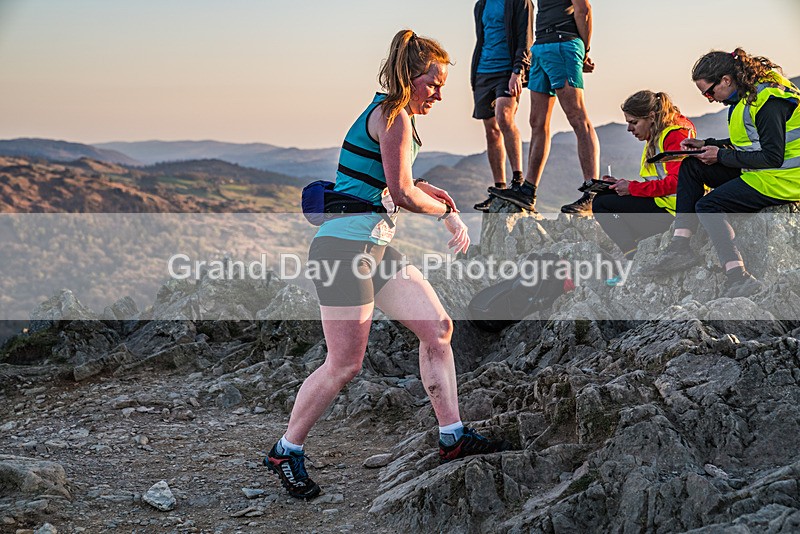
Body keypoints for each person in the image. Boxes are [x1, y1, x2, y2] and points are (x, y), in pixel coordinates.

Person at [265, 30, 509, 500]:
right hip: (343, 253)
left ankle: (452, 437)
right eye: (434, 83)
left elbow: (387, 179)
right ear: (411, 77)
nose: (440, 93)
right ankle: (285, 450)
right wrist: (446, 213)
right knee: (345, 365)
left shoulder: (394, 116)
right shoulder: (393, 114)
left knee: (437, 329)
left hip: (373, 250)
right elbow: (399, 193)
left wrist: (425, 186)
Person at [646, 48, 800, 298]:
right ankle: (680, 247)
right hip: (766, 170)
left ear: (726, 80)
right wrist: (710, 144)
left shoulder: (768, 100)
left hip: (784, 177)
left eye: (709, 91)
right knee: (692, 165)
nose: (709, 99)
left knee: (708, 205)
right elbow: (754, 140)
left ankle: (738, 277)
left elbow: (772, 156)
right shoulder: (747, 95)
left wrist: (720, 156)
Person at [489, 0, 600, 214]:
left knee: (577, 116)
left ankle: (592, 192)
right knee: (537, 122)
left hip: (563, 42)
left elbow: (584, 10)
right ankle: (528, 191)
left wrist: (584, 50)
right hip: (540, 47)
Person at [592, 90, 695, 283]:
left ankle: (633, 262)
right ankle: (635, 256)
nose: (629, 129)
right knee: (607, 198)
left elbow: (678, 183)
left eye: (633, 122)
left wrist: (632, 189)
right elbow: (659, 180)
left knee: (602, 205)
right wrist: (622, 185)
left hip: (673, 213)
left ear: (651, 117)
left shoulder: (673, 136)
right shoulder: (661, 134)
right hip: (665, 206)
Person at [470, 0, 534, 212]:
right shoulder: (481, 5)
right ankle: (500, 187)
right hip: (483, 71)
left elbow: (526, 37)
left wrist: (519, 71)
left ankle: (518, 181)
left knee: (504, 118)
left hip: (508, 70)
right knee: (491, 131)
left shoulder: (520, 2)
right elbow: (483, 38)